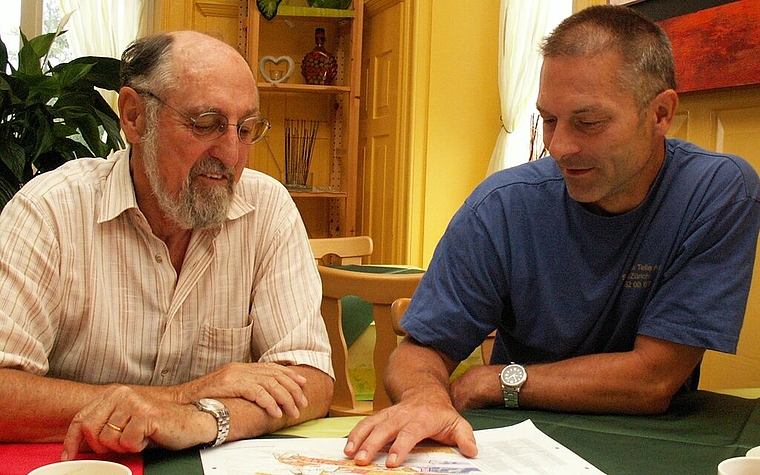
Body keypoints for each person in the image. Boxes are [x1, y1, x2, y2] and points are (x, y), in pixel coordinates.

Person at [344, 5, 760, 468]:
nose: (559, 147)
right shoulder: (501, 205)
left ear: (661, 113)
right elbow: (422, 349)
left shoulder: (716, 191)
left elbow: (653, 379)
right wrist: (424, 397)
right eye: (549, 119)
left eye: (589, 122)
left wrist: (497, 380)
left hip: (655, 442)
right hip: (516, 444)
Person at [0, 31, 334, 459]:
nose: (232, 155)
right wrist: (184, 395)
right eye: (206, 124)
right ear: (134, 116)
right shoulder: (50, 212)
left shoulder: (266, 209)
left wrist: (202, 417)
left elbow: (311, 381)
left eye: (246, 128)